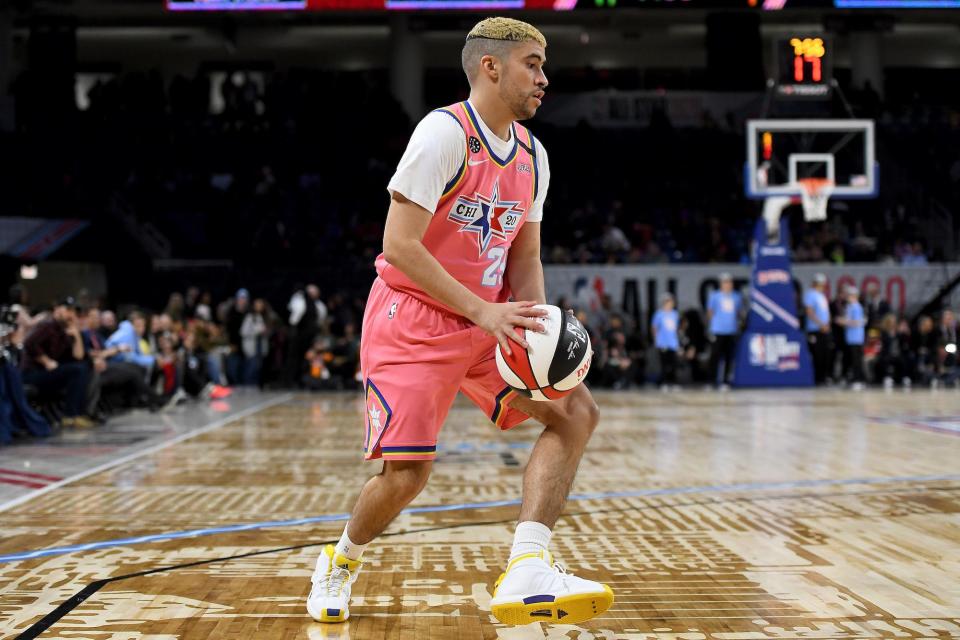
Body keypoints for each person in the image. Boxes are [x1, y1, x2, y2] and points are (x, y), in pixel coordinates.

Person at [306, 17, 611, 627]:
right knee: (407, 477)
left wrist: (537, 330)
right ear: (490, 67)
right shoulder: (443, 134)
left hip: (489, 322)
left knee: (576, 412)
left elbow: (525, 256)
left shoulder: (532, 155)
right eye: (532, 63)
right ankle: (340, 561)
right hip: (413, 320)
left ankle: (528, 563)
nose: (543, 77)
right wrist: (482, 310)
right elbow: (399, 244)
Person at [21, 297, 93, 428]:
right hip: (33, 373)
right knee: (77, 370)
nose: (70, 314)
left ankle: (77, 414)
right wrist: (46, 361)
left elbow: (78, 356)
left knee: (83, 367)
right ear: (57, 309)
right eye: (67, 310)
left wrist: (76, 335)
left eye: (72, 311)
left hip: (49, 373)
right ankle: (71, 415)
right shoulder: (47, 325)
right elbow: (29, 343)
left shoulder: (64, 330)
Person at [706, 272, 741, 389]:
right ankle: (711, 381)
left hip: (731, 330)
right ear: (721, 284)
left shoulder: (736, 297)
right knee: (714, 356)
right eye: (725, 282)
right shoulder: (715, 296)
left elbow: (738, 312)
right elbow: (710, 312)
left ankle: (725, 381)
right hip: (718, 330)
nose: (727, 284)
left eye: (729, 282)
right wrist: (714, 325)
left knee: (728, 356)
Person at [803, 273, 832, 384]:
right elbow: (809, 312)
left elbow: (826, 312)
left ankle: (823, 377)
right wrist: (821, 324)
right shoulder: (810, 295)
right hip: (815, 329)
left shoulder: (822, 296)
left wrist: (827, 324)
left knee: (825, 354)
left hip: (824, 329)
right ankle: (817, 378)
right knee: (817, 355)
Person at [836, 287, 866, 390]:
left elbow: (857, 322)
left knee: (856, 360)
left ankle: (858, 380)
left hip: (856, 338)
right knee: (850, 359)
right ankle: (851, 378)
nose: (847, 297)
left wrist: (843, 322)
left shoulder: (856, 307)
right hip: (850, 337)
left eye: (849, 295)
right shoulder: (850, 307)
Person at [651, 293, 680, 390]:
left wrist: (677, 341)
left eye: (671, 302)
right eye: (668, 302)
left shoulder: (675, 314)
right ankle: (664, 382)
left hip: (673, 343)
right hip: (663, 342)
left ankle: (673, 382)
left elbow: (675, 329)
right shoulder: (659, 314)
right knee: (664, 364)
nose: (670, 304)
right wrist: (656, 340)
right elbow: (654, 328)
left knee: (673, 364)